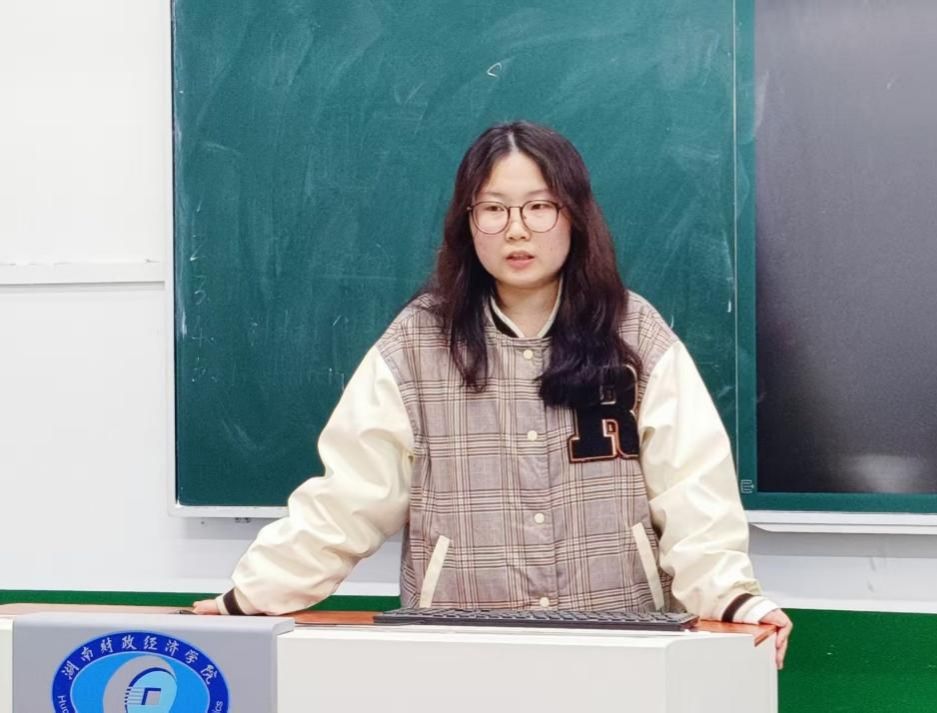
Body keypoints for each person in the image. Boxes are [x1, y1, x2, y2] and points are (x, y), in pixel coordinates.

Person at [193, 121, 792, 668]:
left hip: (621, 642)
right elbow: (350, 495)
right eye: (494, 209)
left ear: (574, 215)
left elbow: (693, 489)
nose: (516, 229)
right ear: (467, 221)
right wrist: (254, 593)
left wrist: (733, 597)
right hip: (457, 648)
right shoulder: (418, 340)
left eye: (539, 206)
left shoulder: (633, 332)